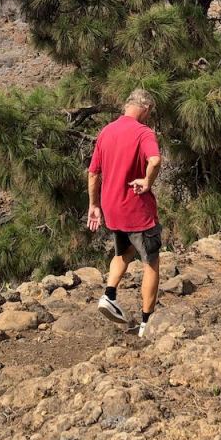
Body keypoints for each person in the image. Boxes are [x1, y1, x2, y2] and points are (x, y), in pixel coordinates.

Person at [87, 88, 162, 338]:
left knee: (124, 251)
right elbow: (155, 160)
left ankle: (109, 295)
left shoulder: (106, 131)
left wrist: (93, 205)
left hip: (112, 207)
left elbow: (93, 173)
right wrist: (147, 181)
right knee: (151, 262)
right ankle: (146, 323)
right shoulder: (144, 132)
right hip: (137, 209)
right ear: (146, 108)